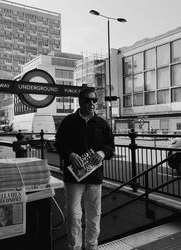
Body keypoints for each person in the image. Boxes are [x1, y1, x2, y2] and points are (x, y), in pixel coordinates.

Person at [55, 87, 115, 250]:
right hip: (74, 178)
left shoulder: (102, 123)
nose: (92, 103)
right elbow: (59, 143)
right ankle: (74, 247)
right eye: (88, 100)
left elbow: (110, 146)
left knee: (94, 216)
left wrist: (103, 153)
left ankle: (91, 247)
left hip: (94, 177)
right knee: (74, 216)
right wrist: (70, 155)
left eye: (94, 100)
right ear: (80, 101)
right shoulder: (68, 121)